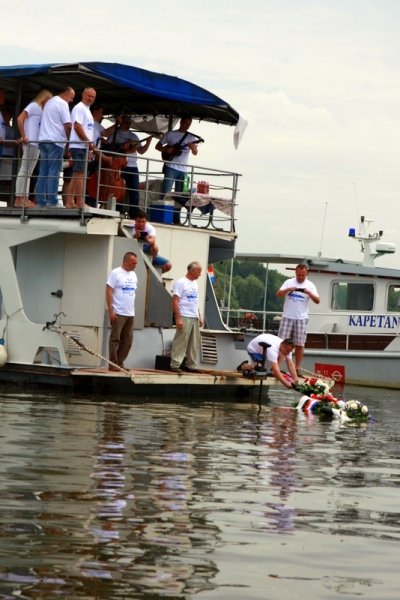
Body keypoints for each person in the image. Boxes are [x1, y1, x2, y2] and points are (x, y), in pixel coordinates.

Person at [276, 264, 320, 374]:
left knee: (300, 343)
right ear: (295, 273)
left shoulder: (310, 285)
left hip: (301, 318)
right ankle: (276, 367)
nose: (300, 277)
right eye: (299, 275)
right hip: (287, 316)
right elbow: (278, 294)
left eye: (303, 275)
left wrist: (308, 293)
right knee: (282, 342)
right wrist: (288, 289)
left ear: (306, 274)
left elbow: (317, 301)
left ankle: (297, 368)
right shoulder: (288, 282)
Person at [155, 115, 199, 225]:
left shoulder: (191, 137)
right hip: (171, 167)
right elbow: (158, 146)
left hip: (183, 169)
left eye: (189, 124)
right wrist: (166, 149)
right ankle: (162, 216)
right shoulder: (171, 134)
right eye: (185, 123)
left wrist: (193, 148)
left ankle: (176, 219)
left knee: (180, 196)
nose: (187, 126)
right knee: (166, 192)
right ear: (181, 122)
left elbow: (195, 152)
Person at [36, 86, 75, 208]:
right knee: (54, 171)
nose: (72, 100)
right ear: (65, 94)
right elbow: (68, 126)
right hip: (55, 142)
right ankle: (52, 201)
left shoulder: (49, 102)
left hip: (43, 140)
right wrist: (70, 143)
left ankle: (41, 201)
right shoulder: (63, 104)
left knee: (43, 172)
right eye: (71, 97)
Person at [107, 115, 152, 219]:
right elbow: (108, 146)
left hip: (132, 166)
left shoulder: (134, 136)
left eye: (129, 123)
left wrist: (148, 143)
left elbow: (141, 151)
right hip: (119, 165)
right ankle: (118, 211)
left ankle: (134, 214)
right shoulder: (115, 134)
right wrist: (121, 147)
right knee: (118, 189)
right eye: (126, 122)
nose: (128, 124)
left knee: (134, 191)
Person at [15, 89, 53, 208]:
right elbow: (20, 118)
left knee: (28, 172)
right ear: (45, 99)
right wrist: (24, 136)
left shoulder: (40, 110)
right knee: (25, 171)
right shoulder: (34, 106)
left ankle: (25, 199)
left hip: (36, 144)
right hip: (31, 143)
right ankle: (19, 199)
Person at [106, 252, 138, 371]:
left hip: (130, 312)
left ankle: (120, 362)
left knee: (128, 340)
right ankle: (113, 363)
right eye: (133, 263)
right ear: (126, 261)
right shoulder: (115, 273)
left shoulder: (133, 275)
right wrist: (111, 310)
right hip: (118, 312)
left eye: (136, 263)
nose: (135, 265)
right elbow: (109, 291)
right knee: (115, 339)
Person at [170, 261, 203, 373]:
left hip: (194, 316)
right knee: (181, 340)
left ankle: (191, 365)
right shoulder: (180, 283)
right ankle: (175, 364)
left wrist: (199, 315)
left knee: (194, 342)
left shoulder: (195, 284)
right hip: (184, 315)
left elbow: (195, 301)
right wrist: (178, 318)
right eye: (199, 272)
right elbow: (175, 301)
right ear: (192, 271)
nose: (200, 274)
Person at [67, 87, 96, 208]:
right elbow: (77, 126)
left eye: (93, 97)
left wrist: (88, 147)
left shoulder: (87, 110)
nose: (91, 98)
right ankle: (79, 202)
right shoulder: (79, 108)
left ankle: (70, 201)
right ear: (83, 95)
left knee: (76, 174)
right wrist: (88, 143)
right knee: (80, 174)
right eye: (89, 96)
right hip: (79, 146)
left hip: (82, 146)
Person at [128, 209, 172, 274]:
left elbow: (153, 241)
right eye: (139, 221)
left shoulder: (150, 227)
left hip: (146, 247)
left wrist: (147, 240)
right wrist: (134, 237)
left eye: (143, 222)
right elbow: (126, 242)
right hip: (134, 248)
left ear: (146, 221)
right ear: (135, 221)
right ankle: (148, 268)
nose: (141, 224)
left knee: (168, 265)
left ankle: (149, 271)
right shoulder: (130, 228)